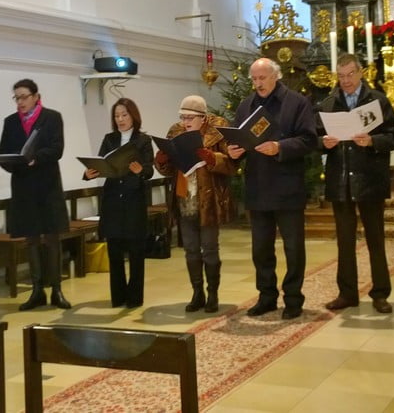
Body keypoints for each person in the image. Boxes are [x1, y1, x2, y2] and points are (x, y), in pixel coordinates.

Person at [226, 58, 317, 320]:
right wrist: (234, 152)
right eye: (254, 79)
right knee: (261, 249)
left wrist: (280, 147)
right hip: (258, 186)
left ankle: (293, 299)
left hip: (288, 186)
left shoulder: (297, 102)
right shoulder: (246, 106)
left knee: (293, 248)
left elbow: (309, 140)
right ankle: (266, 297)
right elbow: (238, 141)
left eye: (262, 78)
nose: (258, 83)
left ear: (275, 76)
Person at [317, 54, 394, 314]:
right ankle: (347, 293)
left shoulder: (377, 100)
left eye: (350, 75)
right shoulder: (329, 103)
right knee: (344, 242)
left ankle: (380, 293)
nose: (346, 81)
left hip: (370, 179)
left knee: (375, 239)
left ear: (360, 72)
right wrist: (324, 143)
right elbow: (315, 137)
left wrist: (373, 141)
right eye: (341, 76)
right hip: (341, 181)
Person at [154, 95, 237, 314]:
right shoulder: (175, 133)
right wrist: (161, 160)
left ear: (203, 118)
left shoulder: (217, 131)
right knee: (191, 250)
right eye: (182, 117)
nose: (185, 122)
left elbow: (232, 164)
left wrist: (212, 158)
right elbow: (168, 170)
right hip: (184, 200)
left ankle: (213, 294)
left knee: (209, 249)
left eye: (190, 118)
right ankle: (197, 293)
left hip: (208, 201)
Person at [0, 78, 71, 311]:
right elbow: (3, 153)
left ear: (36, 97)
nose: (20, 102)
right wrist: (14, 162)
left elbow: (57, 149)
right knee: (31, 239)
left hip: (48, 186)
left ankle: (56, 289)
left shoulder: (52, 118)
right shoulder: (10, 122)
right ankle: (37, 290)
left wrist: (35, 158)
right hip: (24, 188)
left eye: (24, 97)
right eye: (16, 98)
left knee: (52, 237)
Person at [84, 98, 155, 308]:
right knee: (114, 252)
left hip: (134, 200)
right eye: (116, 116)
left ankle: (134, 298)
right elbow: (100, 163)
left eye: (124, 115)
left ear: (133, 116)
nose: (120, 119)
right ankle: (118, 297)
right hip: (113, 200)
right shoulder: (110, 139)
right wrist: (88, 173)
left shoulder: (143, 140)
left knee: (135, 253)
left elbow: (149, 170)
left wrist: (140, 170)